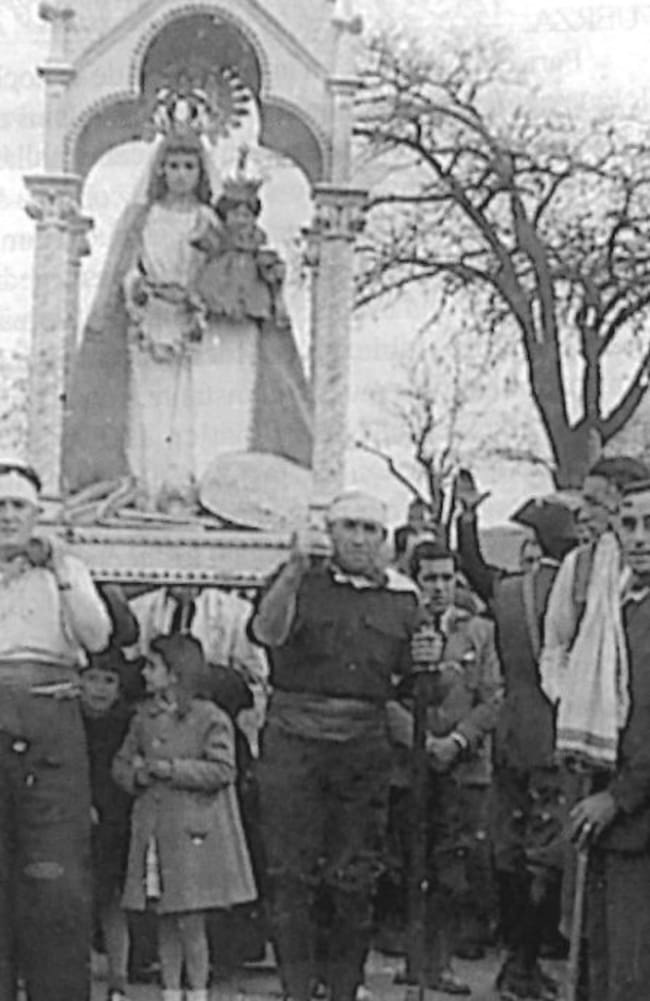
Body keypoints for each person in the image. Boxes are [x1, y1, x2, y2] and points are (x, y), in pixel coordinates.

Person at [63, 110, 313, 509]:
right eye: (174, 166)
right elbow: (124, 270)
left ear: (200, 171)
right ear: (161, 170)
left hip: (197, 326)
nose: (181, 174)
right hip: (151, 322)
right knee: (151, 406)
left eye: (189, 166)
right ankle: (149, 489)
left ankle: (191, 491)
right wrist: (140, 291)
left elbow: (226, 268)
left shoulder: (208, 219)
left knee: (197, 409)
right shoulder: (142, 217)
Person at [249, 489, 421, 1001]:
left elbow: (415, 681)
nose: (361, 539)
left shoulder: (402, 597)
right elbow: (266, 632)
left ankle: (345, 989)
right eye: (350, 526)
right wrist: (295, 570)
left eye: (372, 530)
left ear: (384, 539)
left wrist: (429, 657)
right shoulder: (296, 580)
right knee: (290, 875)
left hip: (363, 745)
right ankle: (297, 990)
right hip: (294, 743)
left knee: (355, 879)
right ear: (331, 530)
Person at [455, 473, 579, 1000]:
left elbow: (475, 567)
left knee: (509, 849)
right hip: (558, 734)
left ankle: (516, 962)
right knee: (547, 853)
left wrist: (467, 518)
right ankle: (526, 966)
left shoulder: (508, 591)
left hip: (510, 732)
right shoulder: (581, 589)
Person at [0, 457, 113, 1001]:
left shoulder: (69, 569)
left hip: (50, 733)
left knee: (55, 877)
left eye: (17, 506)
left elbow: (96, 638)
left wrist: (60, 569)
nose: (5, 517)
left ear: (36, 515)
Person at [113, 634, 256, 1001]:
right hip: (155, 831)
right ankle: (170, 991)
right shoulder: (143, 717)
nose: (145, 674)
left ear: (174, 673)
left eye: (153, 666)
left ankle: (198, 991)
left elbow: (223, 770)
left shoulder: (210, 718)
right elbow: (122, 763)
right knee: (163, 916)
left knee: (192, 920)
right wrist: (136, 775)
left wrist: (170, 769)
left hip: (194, 833)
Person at [390, 539, 503, 996]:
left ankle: (441, 963)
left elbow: (495, 695)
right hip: (408, 766)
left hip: (463, 767)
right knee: (407, 861)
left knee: (452, 867)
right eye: (428, 578)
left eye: (446, 579)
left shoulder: (478, 631)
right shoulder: (400, 629)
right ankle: (412, 961)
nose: (438, 589)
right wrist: (420, 742)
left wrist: (456, 741)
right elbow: (382, 694)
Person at [562, 478, 650, 1001]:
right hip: (617, 821)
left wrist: (617, 797)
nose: (640, 537)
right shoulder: (616, 607)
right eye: (629, 524)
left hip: (631, 808)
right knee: (609, 967)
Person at [81, 641, 137, 1001]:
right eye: (92, 678)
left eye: (109, 681)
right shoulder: (66, 717)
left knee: (113, 899)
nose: (99, 689)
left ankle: (118, 978)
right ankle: (76, 973)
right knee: (75, 899)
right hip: (73, 812)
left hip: (119, 815)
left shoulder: (128, 720)